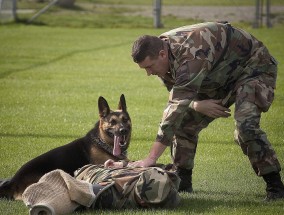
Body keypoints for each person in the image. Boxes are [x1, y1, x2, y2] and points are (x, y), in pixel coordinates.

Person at [129, 21, 284, 201]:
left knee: (245, 126)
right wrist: (197, 104)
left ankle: (275, 187)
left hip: (253, 68)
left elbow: (175, 107)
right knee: (184, 124)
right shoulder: (162, 51)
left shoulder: (191, 52)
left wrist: (151, 158)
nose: (149, 73)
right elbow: (177, 93)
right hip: (218, 75)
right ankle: (183, 182)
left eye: (149, 67)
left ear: (162, 54)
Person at [22, 160, 181, 215]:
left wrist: (47, 206)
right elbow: (151, 169)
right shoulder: (163, 181)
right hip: (100, 169)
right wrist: (123, 164)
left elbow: (79, 194)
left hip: (86, 174)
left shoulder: (109, 196)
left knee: (58, 179)